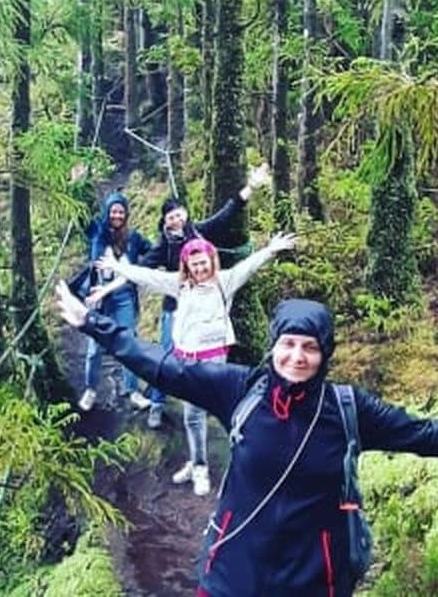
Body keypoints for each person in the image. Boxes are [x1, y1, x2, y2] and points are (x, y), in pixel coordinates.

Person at [55, 286, 438, 597]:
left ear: (325, 352)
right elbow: (162, 366)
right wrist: (92, 325)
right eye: (288, 343)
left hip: (315, 574)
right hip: (235, 567)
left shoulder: (349, 410)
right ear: (273, 346)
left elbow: (425, 434)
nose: (297, 356)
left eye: (310, 346)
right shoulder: (240, 389)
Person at [91, 232, 296, 496]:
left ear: (212, 261)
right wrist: (117, 267)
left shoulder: (225, 282)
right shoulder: (179, 285)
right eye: (194, 264)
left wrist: (271, 249)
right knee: (193, 415)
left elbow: (249, 265)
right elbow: (146, 275)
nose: (200, 269)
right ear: (186, 266)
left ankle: (232, 469)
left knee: (217, 411)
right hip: (186, 358)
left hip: (214, 359)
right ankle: (198, 465)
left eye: (204, 263)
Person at [137, 163, 271, 429]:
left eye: (178, 215)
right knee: (166, 359)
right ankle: (156, 404)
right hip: (175, 311)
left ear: (185, 214)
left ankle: (202, 405)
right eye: (170, 217)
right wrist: (115, 278)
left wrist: (251, 187)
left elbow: (227, 213)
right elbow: (142, 270)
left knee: (208, 363)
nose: (176, 220)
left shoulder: (200, 232)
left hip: (205, 312)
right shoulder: (163, 246)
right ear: (164, 222)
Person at [78, 190, 151, 412]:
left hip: (124, 297)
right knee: (95, 348)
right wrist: (79, 185)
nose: (117, 215)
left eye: (121, 211)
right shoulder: (97, 233)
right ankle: (90, 389)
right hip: (99, 299)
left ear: (126, 214)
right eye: (113, 211)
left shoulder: (134, 238)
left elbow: (154, 252)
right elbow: (80, 215)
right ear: (107, 212)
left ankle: (132, 390)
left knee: (128, 342)